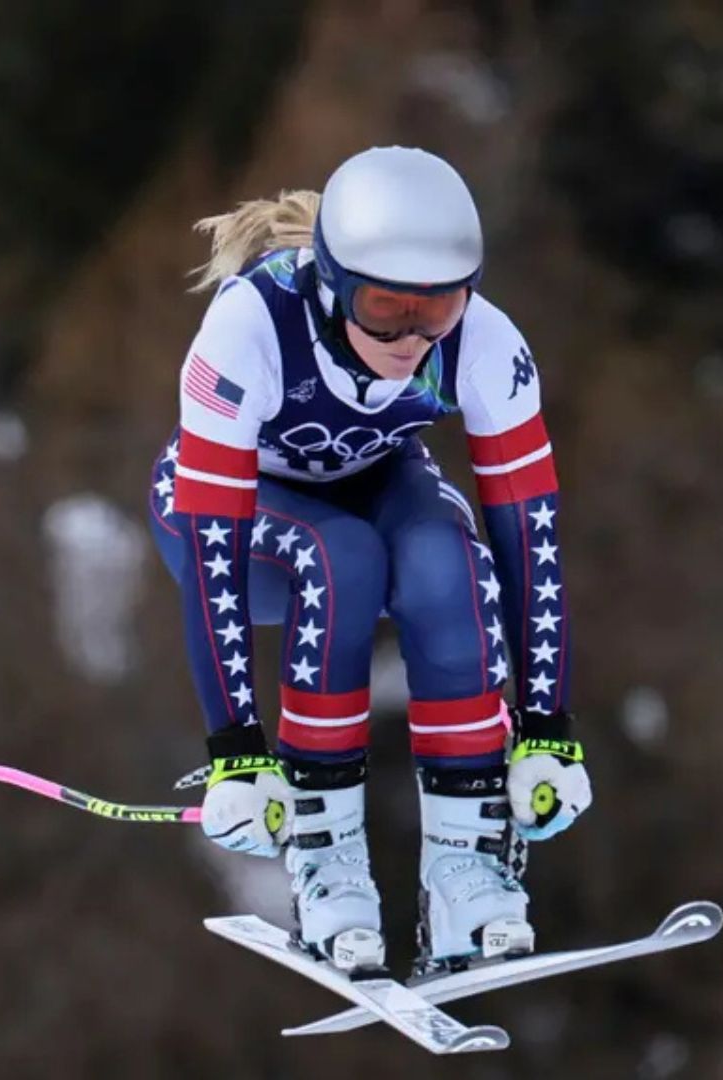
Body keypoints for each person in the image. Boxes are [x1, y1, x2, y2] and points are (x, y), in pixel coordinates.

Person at [147, 146, 593, 975]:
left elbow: (529, 537)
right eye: (385, 309)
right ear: (331, 287)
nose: (412, 339)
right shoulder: (250, 328)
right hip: (236, 528)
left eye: (439, 309)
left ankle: (468, 870)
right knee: (340, 556)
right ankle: (327, 862)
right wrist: (238, 751)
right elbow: (214, 547)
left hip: (373, 483)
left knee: (444, 562)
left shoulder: (485, 342)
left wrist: (547, 731)